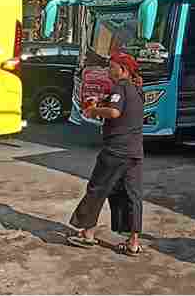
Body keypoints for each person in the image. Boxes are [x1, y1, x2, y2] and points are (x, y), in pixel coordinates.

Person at [68, 51, 145, 256]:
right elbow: (117, 104)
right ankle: (133, 243)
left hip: (116, 151)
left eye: (111, 67)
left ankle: (87, 234)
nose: (108, 70)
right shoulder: (138, 89)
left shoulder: (120, 87)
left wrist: (93, 110)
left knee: (97, 190)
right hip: (135, 152)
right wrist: (102, 100)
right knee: (132, 195)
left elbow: (114, 112)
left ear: (123, 70)